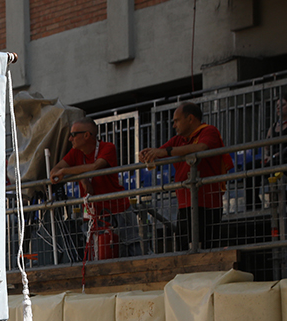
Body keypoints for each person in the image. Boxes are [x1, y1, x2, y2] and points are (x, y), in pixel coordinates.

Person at [139, 101, 227, 250]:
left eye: (177, 121)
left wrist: (164, 152)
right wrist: (147, 154)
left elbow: (201, 147)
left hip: (208, 204)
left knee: (206, 248)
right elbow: (159, 152)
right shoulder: (179, 140)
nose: (174, 125)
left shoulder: (209, 131)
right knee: (183, 249)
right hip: (185, 203)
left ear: (190, 119)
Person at [49, 119, 130, 260]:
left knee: (127, 250)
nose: (70, 139)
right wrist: (80, 176)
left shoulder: (107, 147)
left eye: (73, 135)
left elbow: (95, 166)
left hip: (118, 211)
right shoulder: (75, 153)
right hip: (93, 215)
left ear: (86, 135)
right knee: (96, 255)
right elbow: (54, 172)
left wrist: (69, 171)